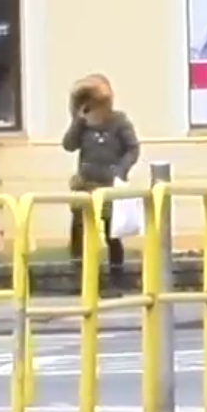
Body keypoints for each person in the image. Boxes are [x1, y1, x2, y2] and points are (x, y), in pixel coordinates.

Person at [62, 74, 140, 289]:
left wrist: (121, 171)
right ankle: (81, 277)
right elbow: (69, 145)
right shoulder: (83, 123)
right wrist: (78, 120)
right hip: (85, 184)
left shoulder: (119, 121)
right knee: (80, 231)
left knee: (111, 232)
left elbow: (133, 148)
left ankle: (116, 277)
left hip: (108, 186)